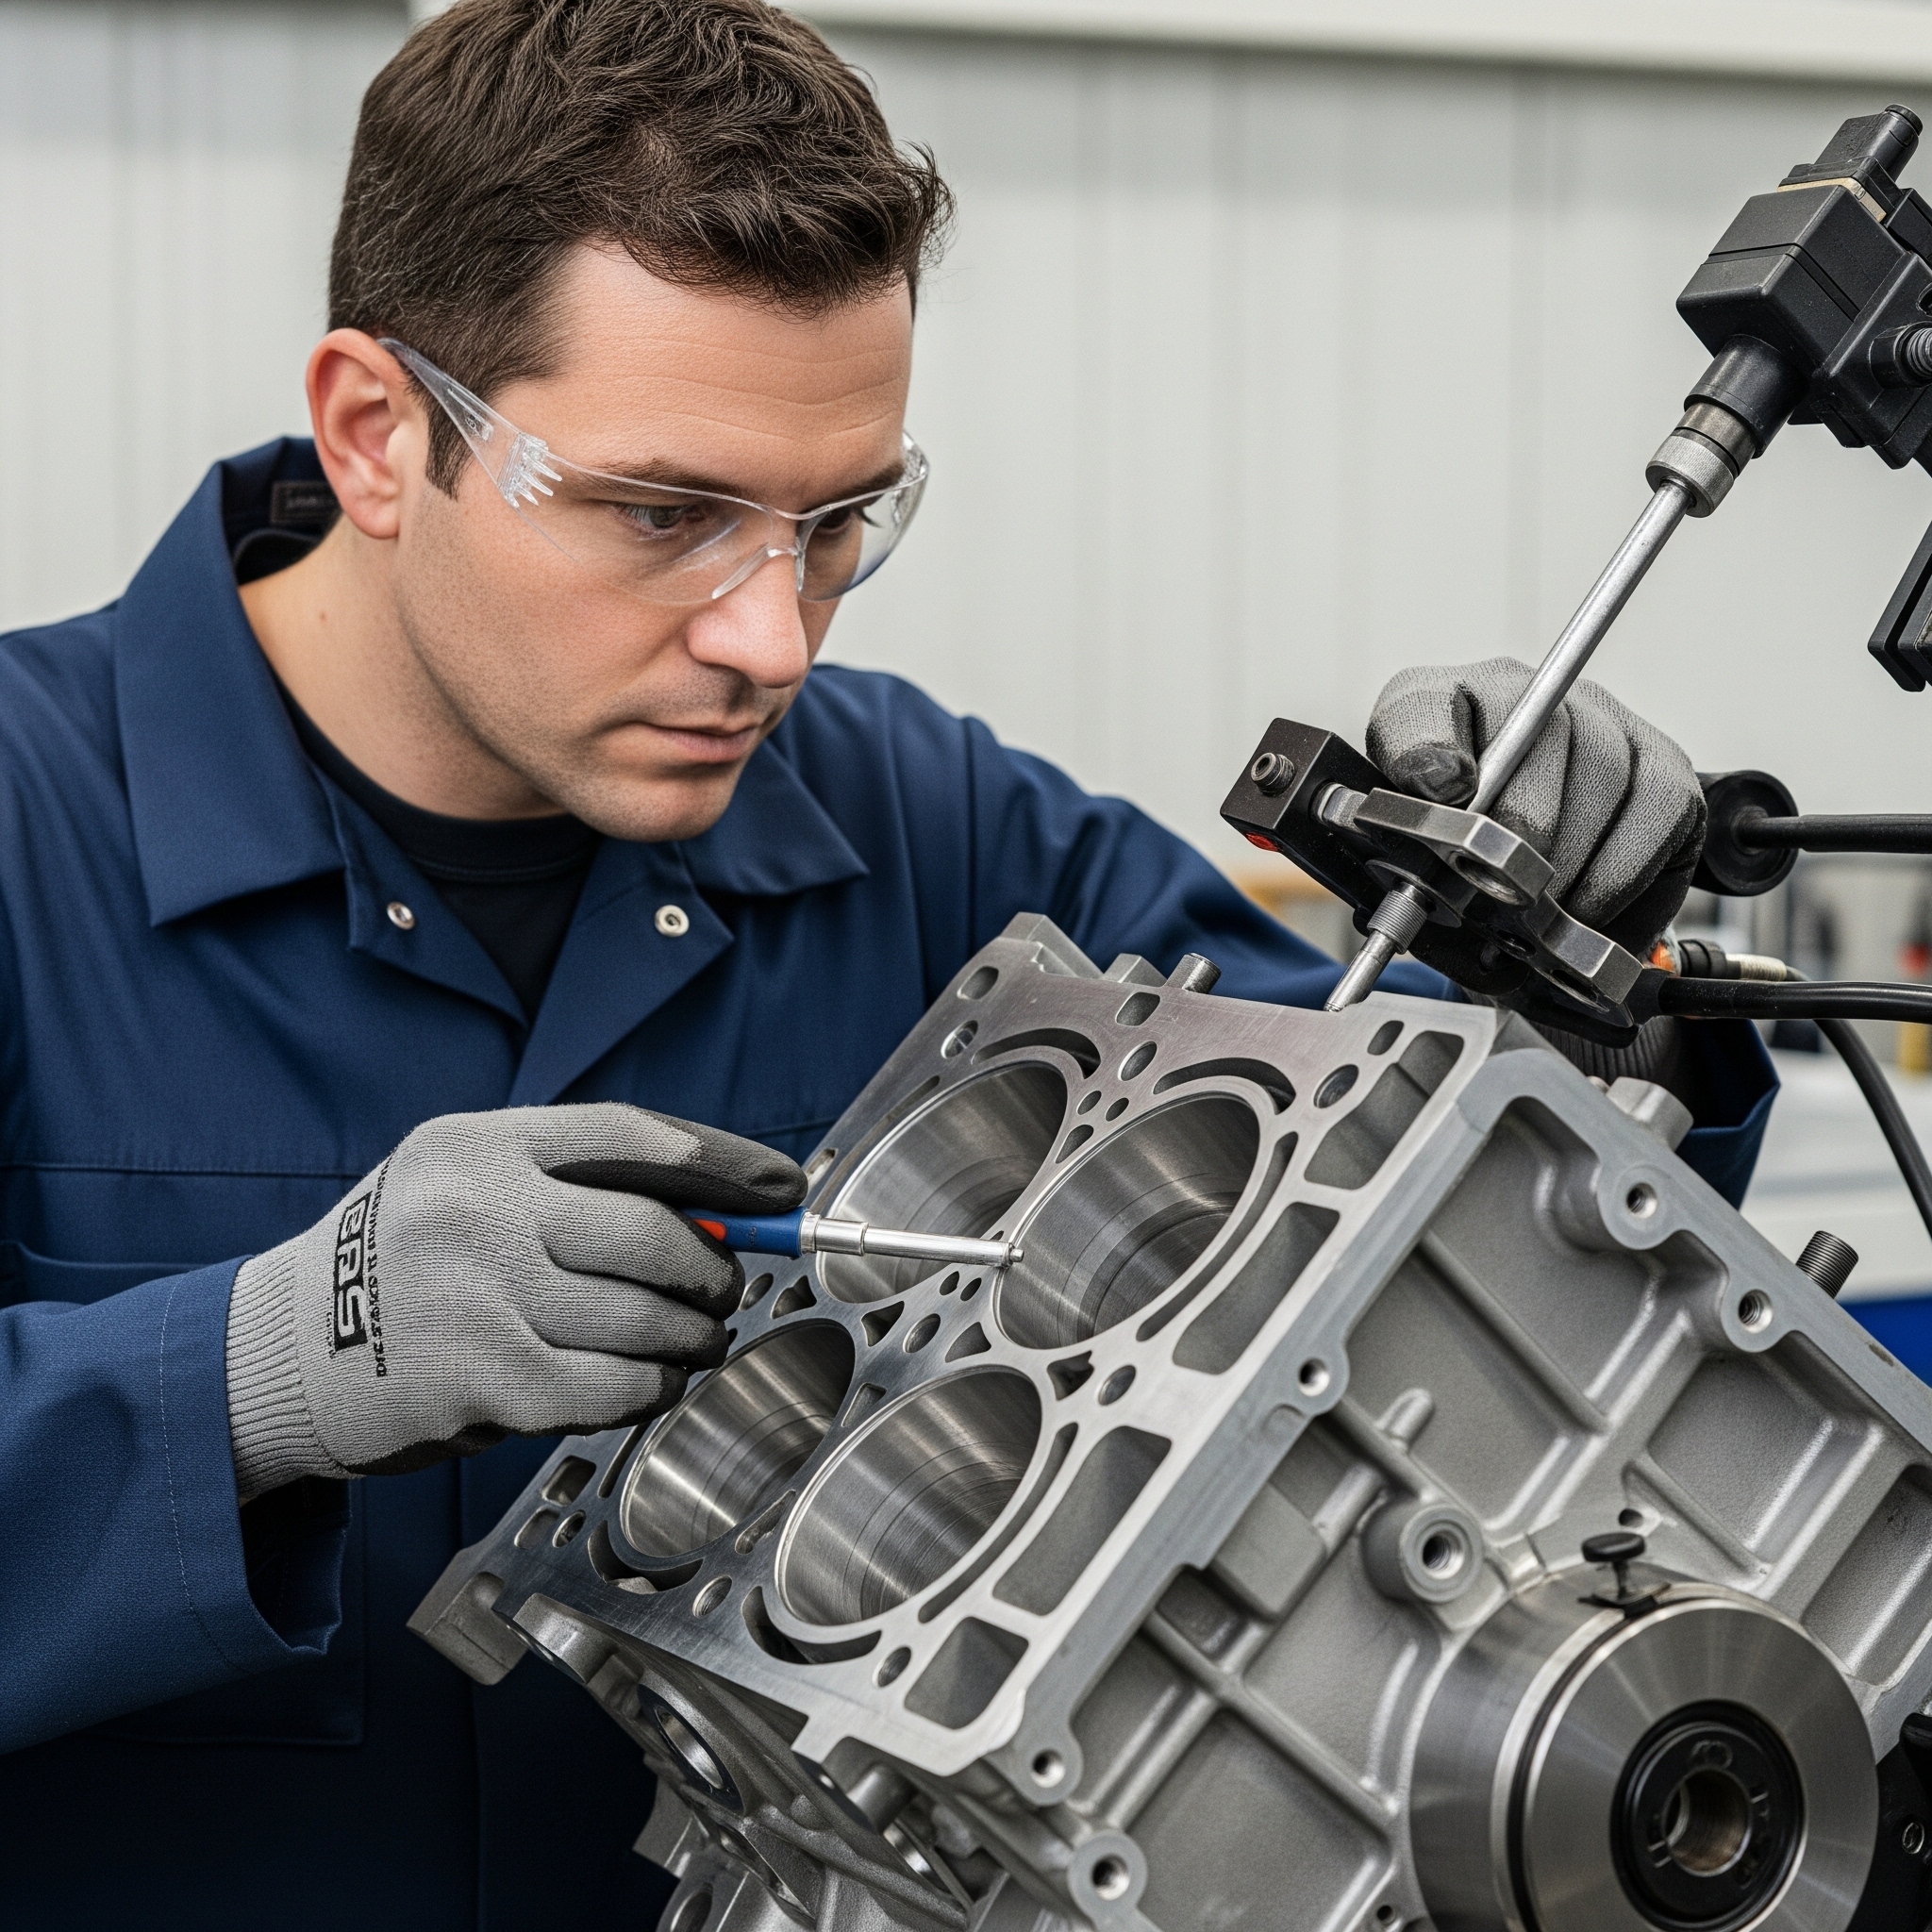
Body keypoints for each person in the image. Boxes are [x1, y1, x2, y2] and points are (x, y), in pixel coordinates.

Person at [0, 1, 1773, 1925]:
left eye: (839, 521)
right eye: (666, 513)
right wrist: (252, 1371)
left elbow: (1474, 1222)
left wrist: (1576, 955)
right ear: (378, 433)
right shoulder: (29, 834)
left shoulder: (926, 830)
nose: (770, 635)